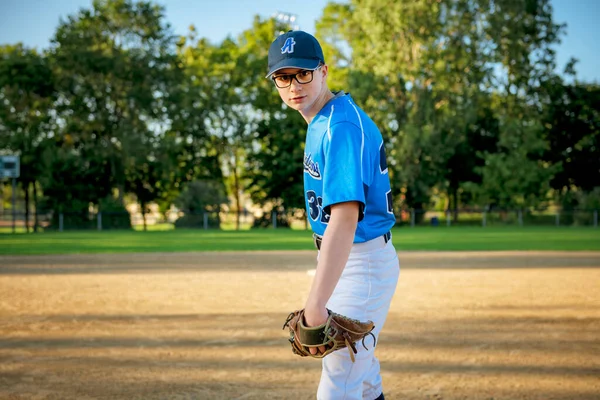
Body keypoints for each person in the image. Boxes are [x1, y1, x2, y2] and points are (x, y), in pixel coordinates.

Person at [266, 30, 400, 400]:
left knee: (338, 383)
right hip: (348, 258)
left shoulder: (338, 126)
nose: (294, 85)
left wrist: (315, 303)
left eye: (303, 73)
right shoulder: (323, 119)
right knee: (363, 372)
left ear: (323, 72)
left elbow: (344, 219)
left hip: (362, 261)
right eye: (283, 77)